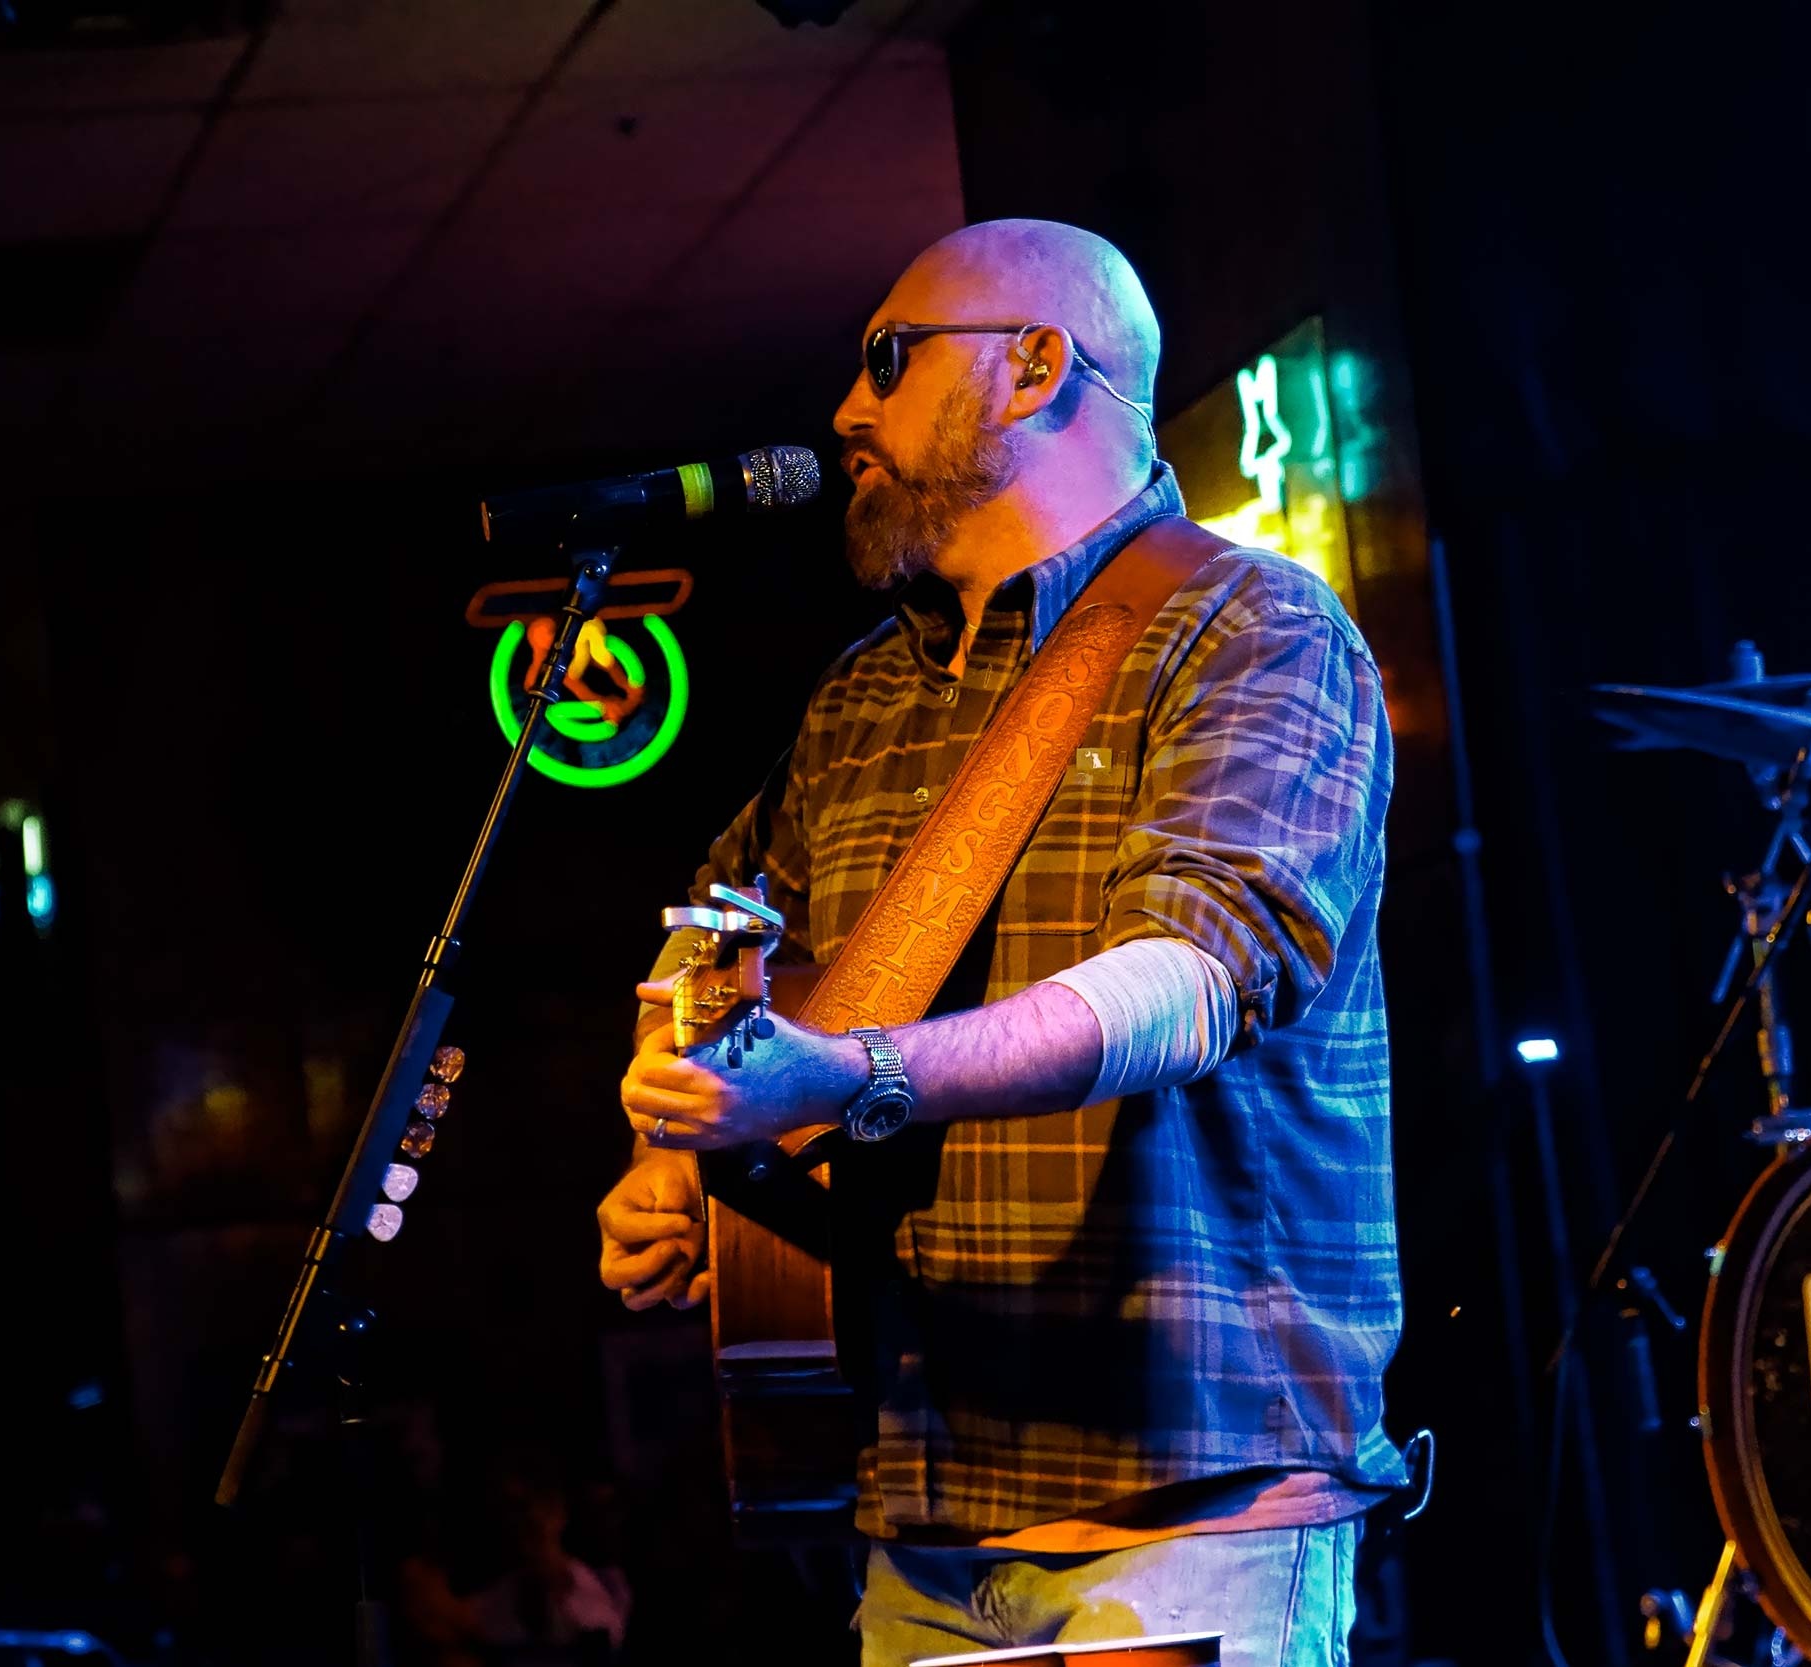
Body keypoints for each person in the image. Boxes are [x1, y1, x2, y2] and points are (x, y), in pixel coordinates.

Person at [593, 218, 1403, 1666]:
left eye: (889, 362)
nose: (847, 409)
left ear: (1037, 368)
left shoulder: (1252, 628)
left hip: (1190, 1499)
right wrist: (675, 1136)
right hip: (919, 1500)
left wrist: (837, 1076)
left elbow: (1196, 982)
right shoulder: (862, 695)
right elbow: (711, 941)